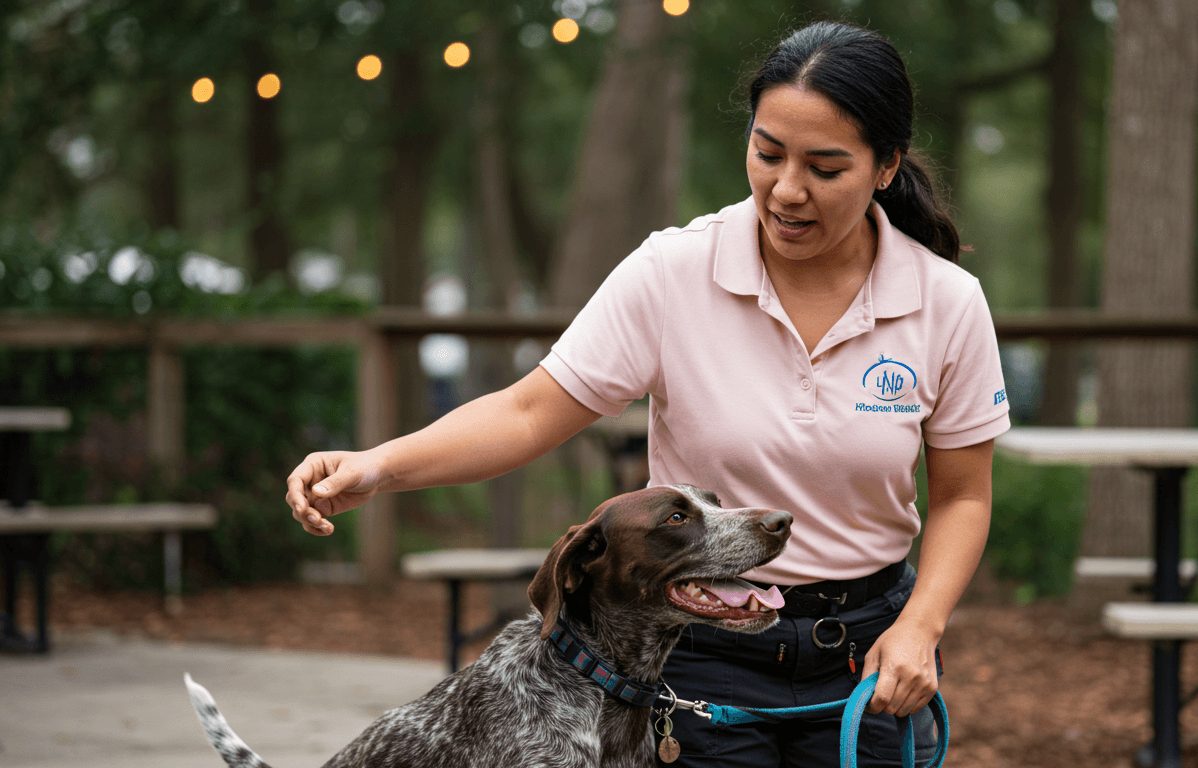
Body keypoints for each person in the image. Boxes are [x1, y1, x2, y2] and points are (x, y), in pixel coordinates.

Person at [286, 20, 1008, 768]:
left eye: (825, 168)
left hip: (864, 661)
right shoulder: (673, 271)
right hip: (696, 657)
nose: (787, 190)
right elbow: (530, 411)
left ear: (886, 166)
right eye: (767, 154)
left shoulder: (946, 303)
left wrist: (922, 625)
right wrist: (379, 465)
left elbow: (963, 496)